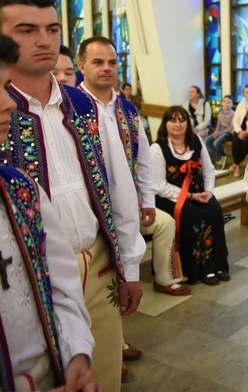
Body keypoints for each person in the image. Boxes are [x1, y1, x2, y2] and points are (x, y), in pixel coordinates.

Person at [0, 0, 144, 391]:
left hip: (97, 264)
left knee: (100, 378)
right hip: (33, 276)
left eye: (53, 28)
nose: (44, 40)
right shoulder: (3, 113)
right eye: (26, 30)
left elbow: (118, 186)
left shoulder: (85, 106)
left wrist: (128, 265)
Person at [0, 34, 97, 391]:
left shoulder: (20, 190)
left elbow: (56, 283)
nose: (7, 103)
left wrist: (76, 355)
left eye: (5, 86)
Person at [77, 36, 190, 297]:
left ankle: (161, 279)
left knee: (162, 226)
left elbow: (143, 162)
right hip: (89, 209)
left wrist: (148, 201)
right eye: (97, 62)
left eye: (112, 62)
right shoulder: (71, 107)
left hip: (127, 205)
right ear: (81, 66)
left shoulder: (127, 111)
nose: (106, 68)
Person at [151, 106, 230, 286]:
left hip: (199, 192)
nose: (178, 124)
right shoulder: (157, 148)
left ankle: (215, 265)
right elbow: (160, 186)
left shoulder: (196, 141)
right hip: (172, 197)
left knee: (215, 210)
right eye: (173, 120)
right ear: (165, 124)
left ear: (187, 123)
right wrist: (191, 196)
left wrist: (208, 192)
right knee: (192, 215)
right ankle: (194, 269)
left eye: (182, 120)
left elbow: (209, 169)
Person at [205, 94, 235, 167]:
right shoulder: (220, 113)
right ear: (221, 103)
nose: (226, 104)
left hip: (228, 134)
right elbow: (218, 125)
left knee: (216, 143)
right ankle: (219, 158)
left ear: (232, 104)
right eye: (224, 101)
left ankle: (223, 156)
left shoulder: (233, 114)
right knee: (207, 141)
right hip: (219, 132)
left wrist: (219, 133)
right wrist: (216, 132)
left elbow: (231, 128)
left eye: (229, 102)